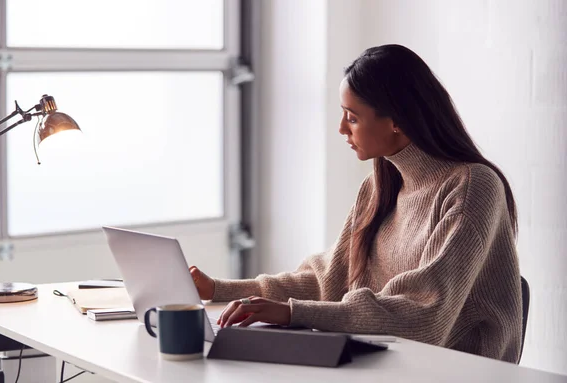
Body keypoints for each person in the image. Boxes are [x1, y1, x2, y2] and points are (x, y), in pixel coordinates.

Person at [190, 44, 522, 363]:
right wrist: (218, 290)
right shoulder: (379, 186)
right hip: (389, 362)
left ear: (397, 121)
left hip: (455, 372)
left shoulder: (472, 188)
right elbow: (328, 280)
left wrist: (293, 313)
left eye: (352, 117)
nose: (340, 128)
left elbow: (423, 317)